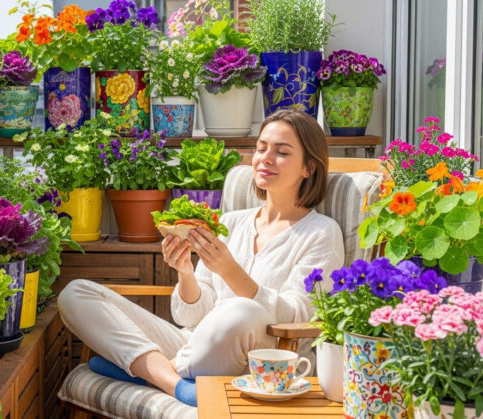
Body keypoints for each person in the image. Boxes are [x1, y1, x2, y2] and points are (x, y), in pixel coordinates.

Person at [57, 109, 345, 407]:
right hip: (194, 347)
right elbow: (190, 317)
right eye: (261, 148)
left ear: (308, 168)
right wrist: (184, 272)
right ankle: (175, 384)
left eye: (281, 151)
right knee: (76, 293)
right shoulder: (231, 222)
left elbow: (300, 317)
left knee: (241, 311)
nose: (266, 158)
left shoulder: (321, 233)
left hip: (259, 360)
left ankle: (150, 370)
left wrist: (231, 271)